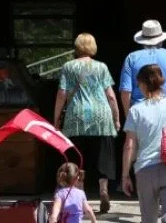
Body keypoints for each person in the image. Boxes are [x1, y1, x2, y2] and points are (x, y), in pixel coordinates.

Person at [53, 33, 120, 214]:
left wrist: (56, 118)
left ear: (77, 47)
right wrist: (116, 118)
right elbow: (111, 96)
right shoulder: (102, 67)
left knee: (76, 158)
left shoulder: (68, 67)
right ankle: (103, 190)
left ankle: (80, 197)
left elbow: (62, 93)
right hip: (101, 116)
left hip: (76, 116)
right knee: (103, 156)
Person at [121, 64, 166, 223]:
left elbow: (129, 145)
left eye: (138, 84)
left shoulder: (136, 110)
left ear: (143, 83)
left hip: (145, 170)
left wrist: (125, 175)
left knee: (148, 219)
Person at [121, 20, 166, 119]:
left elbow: (125, 91)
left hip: (140, 112)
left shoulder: (131, 58)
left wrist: (128, 117)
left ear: (142, 40)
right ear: (161, 40)